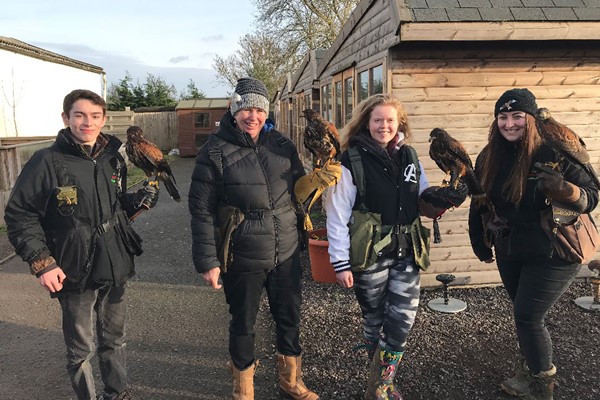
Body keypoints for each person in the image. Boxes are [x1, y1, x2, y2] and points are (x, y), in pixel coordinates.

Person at [4, 89, 159, 400]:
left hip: (115, 260)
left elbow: (113, 207)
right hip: (72, 265)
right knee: (81, 348)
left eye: (95, 116)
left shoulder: (113, 158)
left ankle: (117, 394)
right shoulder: (46, 161)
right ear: (66, 118)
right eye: (80, 115)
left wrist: (136, 201)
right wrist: (41, 262)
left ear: (103, 119)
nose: (88, 122)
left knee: (115, 338)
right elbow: (19, 214)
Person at [325, 94, 468, 400]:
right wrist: (339, 262)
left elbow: (423, 194)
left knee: (401, 321)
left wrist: (442, 199)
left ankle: (381, 384)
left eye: (390, 120)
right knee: (374, 320)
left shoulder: (410, 156)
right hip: (370, 253)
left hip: (406, 251)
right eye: (378, 120)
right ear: (367, 122)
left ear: (399, 123)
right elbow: (337, 214)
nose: (384, 126)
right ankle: (379, 385)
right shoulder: (350, 160)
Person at [189, 77, 319, 400]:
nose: (252, 115)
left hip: (286, 251)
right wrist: (208, 261)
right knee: (243, 323)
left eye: (259, 109)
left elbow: (299, 192)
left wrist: (319, 181)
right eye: (245, 107)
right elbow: (201, 209)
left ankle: (291, 382)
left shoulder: (282, 146)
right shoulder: (214, 152)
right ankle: (243, 391)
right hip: (243, 254)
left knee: (289, 318)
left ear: (266, 113)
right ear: (234, 110)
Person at [468, 88, 599, 400]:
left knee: (528, 316)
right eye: (503, 116)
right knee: (522, 313)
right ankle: (529, 369)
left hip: (554, 248)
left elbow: (591, 194)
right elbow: (479, 202)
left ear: (531, 118)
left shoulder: (554, 150)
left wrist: (567, 191)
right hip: (510, 247)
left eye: (517, 116)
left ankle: (542, 385)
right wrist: (479, 240)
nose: (510, 123)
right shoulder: (489, 156)